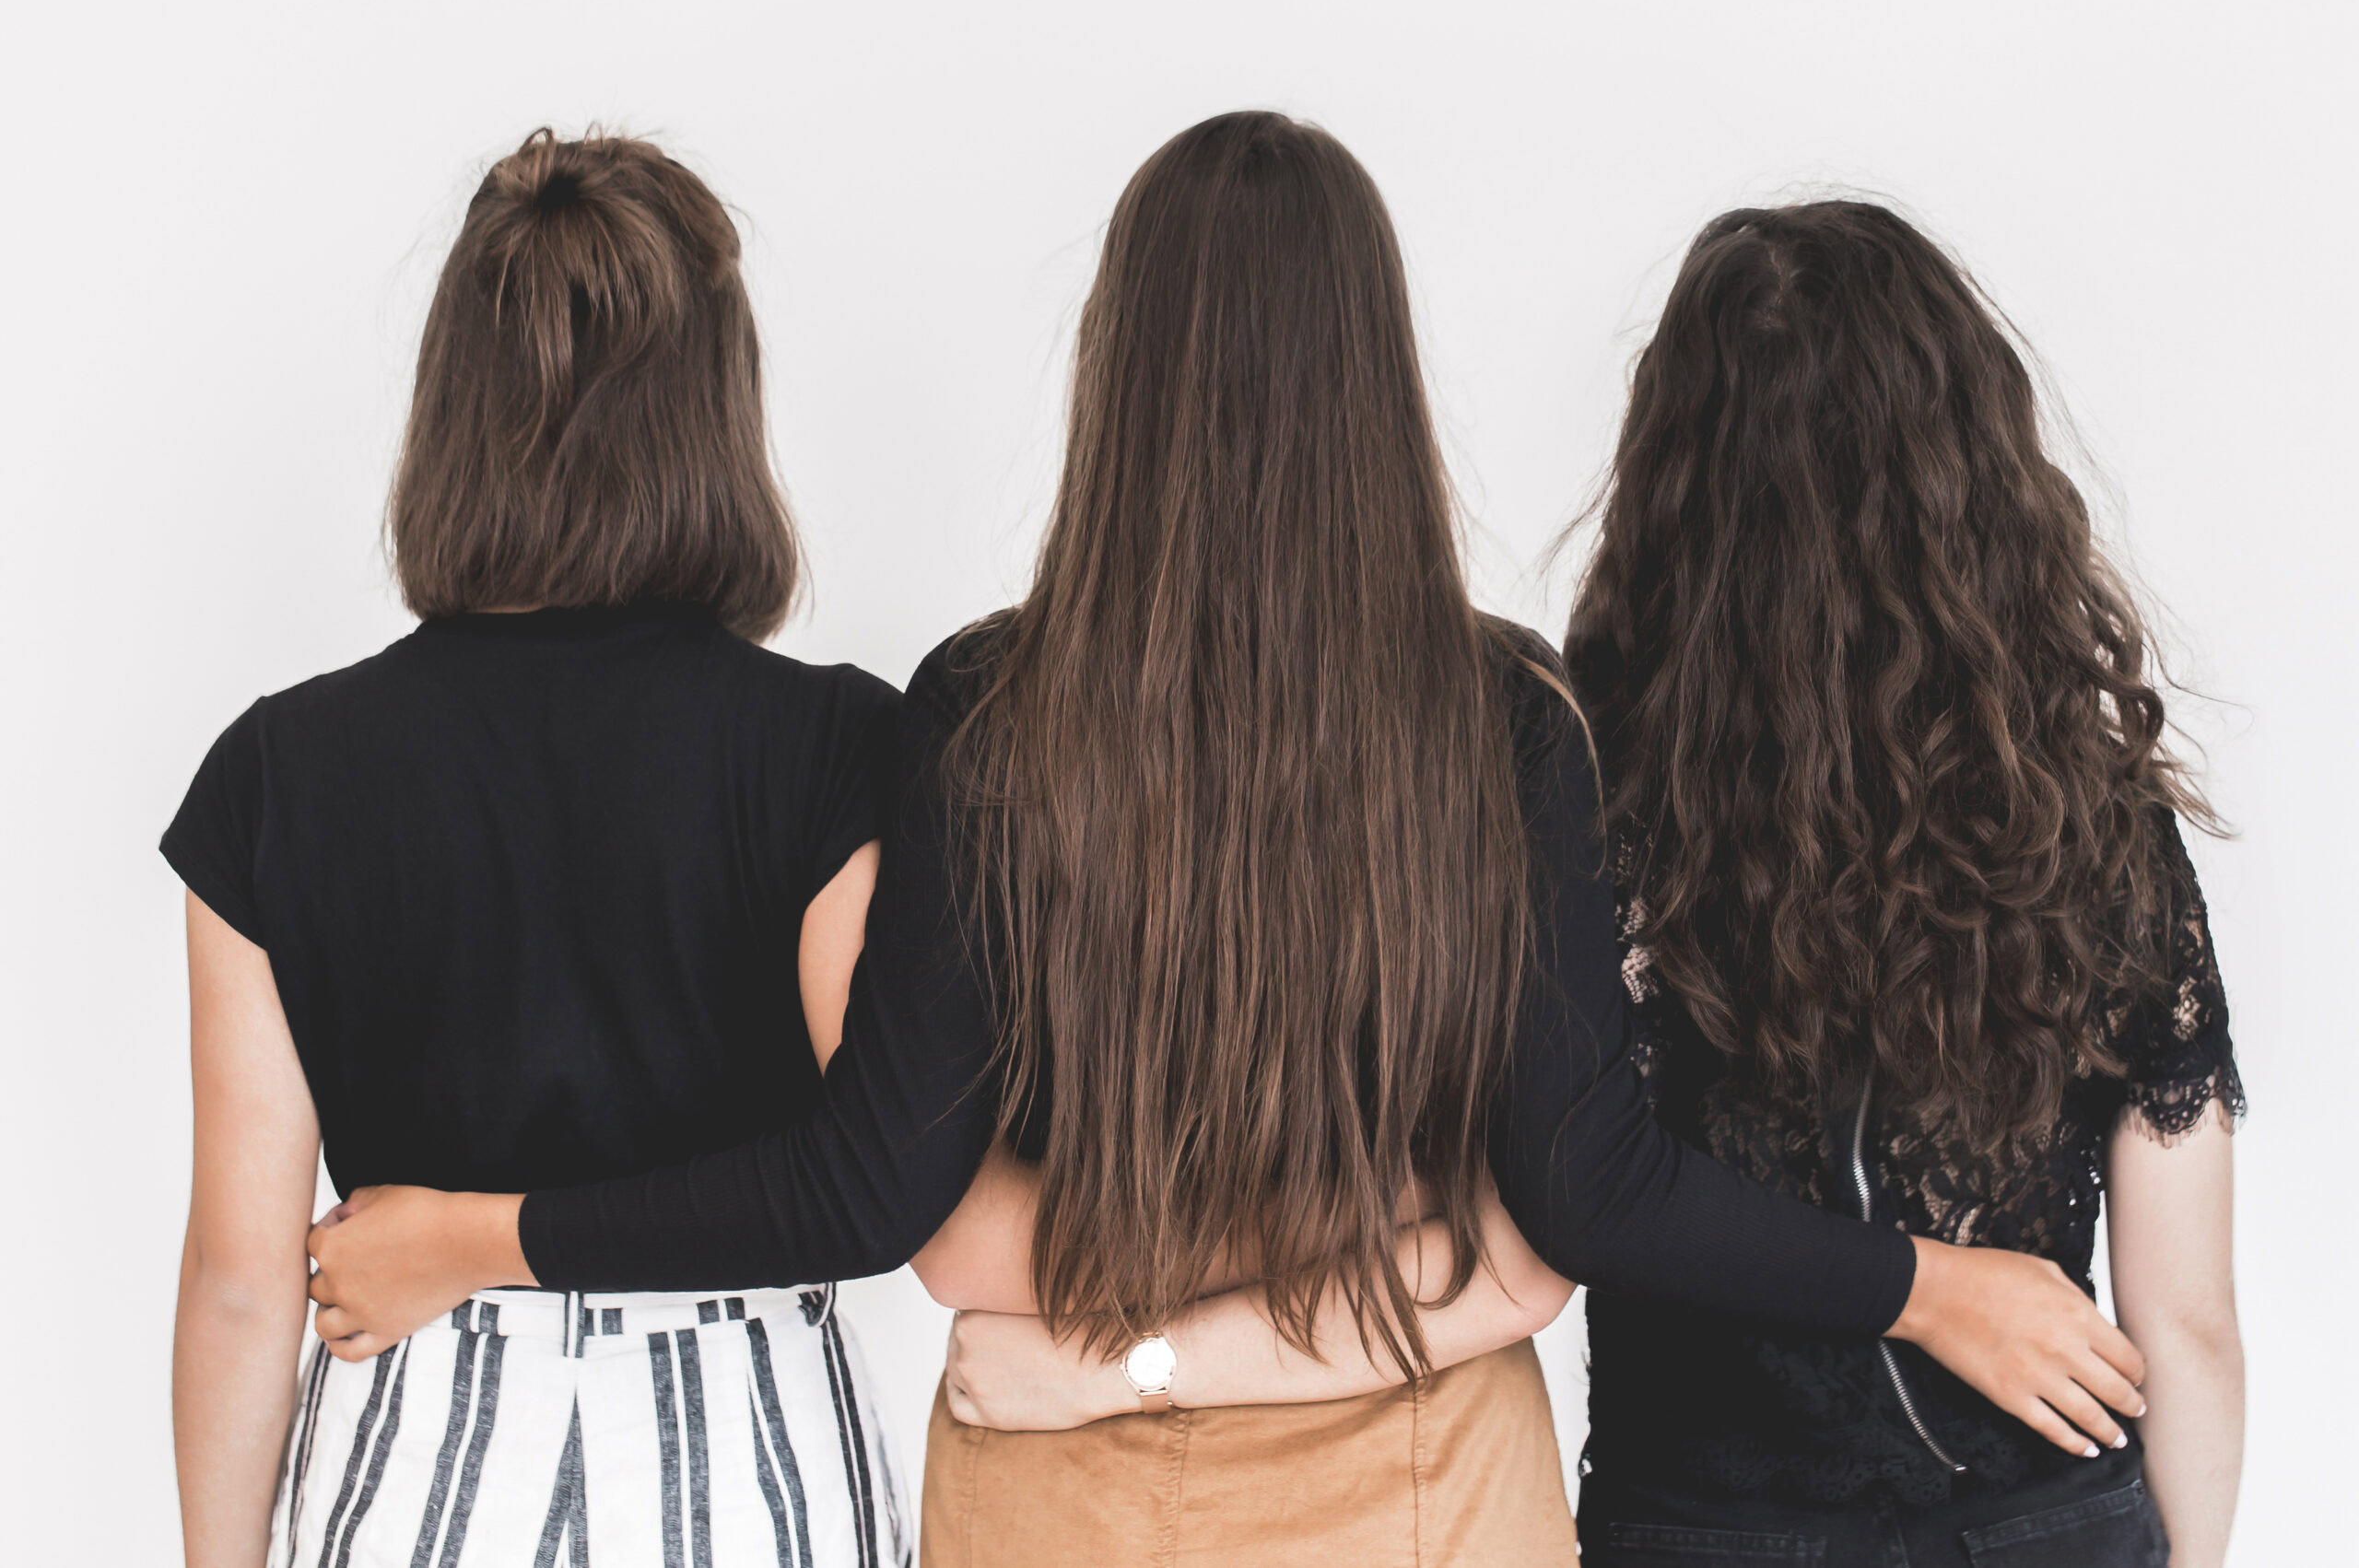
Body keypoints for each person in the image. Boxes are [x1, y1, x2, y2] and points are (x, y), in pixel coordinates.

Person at [303, 119, 2147, 1566]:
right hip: (1430, 1511)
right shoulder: (1502, 721)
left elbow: (907, 1212)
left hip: (1059, 1507)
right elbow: (1562, 1209)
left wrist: (486, 1232)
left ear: (1115, 364)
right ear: (1375, 371)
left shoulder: (979, 715)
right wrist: (1914, 1282)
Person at [165, 129, 909, 1568]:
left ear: (451, 406)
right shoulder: (834, 752)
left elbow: (244, 1281)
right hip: (747, 1442)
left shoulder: (280, 775)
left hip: (419, 1433)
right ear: (716, 408)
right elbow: (860, 1168)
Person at [1556, 202, 2244, 1566]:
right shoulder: (2094, 824)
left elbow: (1583, 1191)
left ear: (1676, 479)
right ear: (1975, 470)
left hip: (1701, 1526)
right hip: (2046, 1519)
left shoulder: (1597, 810)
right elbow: (2191, 1320)